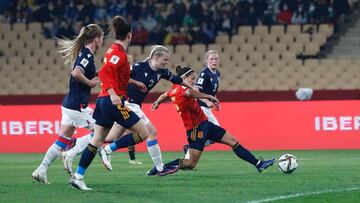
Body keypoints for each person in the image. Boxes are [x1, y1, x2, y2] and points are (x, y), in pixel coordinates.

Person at [69, 16, 175, 191]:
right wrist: (112, 93)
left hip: (103, 101)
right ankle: (109, 149)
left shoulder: (113, 50)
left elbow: (114, 74)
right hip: (112, 101)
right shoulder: (119, 53)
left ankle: (78, 176)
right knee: (144, 132)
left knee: (97, 140)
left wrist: (133, 83)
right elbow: (104, 73)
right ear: (130, 35)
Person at [148, 66, 275, 175]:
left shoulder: (173, 90)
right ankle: (161, 168)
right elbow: (191, 94)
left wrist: (157, 102)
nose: (193, 82)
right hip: (195, 129)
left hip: (205, 124)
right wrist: (209, 96)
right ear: (184, 78)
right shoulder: (183, 90)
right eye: (192, 79)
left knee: (233, 141)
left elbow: (164, 95)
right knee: (190, 163)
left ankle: (258, 164)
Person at [99, 45, 195, 174]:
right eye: (165, 59)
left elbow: (177, 80)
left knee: (112, 136)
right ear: (156, 57)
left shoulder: (163, 72)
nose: (167, 62)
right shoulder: (139, 67)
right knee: (151, 133)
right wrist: (129, 86)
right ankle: (159, 167)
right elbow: (121, 76)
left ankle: (77, 146)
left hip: (134, 105)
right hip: (128, 103)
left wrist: (191, 88)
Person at [31, 24, 104, 184]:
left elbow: (82, 73)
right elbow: (76, 73)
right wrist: (91, 83)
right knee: (103, 130)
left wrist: (100, 74)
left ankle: (40, 170)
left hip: (70, 104)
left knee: (62, 140)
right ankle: (72, 153)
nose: (102, 42)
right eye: (102, 39)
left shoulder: (84, 53)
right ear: (97, 38)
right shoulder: (87, 55)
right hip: (78, 106)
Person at [184, 50, 220, 159]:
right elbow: (195, 90)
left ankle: (189, 149)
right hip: (201, 107)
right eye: (211, 59)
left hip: (207, 108)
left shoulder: (217, 73)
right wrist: (207, 101)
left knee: (209, 135)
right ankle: (190, 150)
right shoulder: (204, 74)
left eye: (216, 59)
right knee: (217, 132)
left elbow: (211, 91)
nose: (214, 61)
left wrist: (215, 101)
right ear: (206, 61)